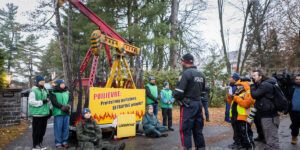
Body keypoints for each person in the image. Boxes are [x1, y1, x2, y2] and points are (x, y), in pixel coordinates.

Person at [174, 53, 206, 149]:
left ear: (185, 62)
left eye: (181, 61)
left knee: (185, 131)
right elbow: (204, 92)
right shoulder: (201, 74)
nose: (180, 62)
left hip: (188, 106)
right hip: (198, 104)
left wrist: (176, 96)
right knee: (198, 131)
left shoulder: (186, 73)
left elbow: (178, 92)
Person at [251, 69, 280, 150]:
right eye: (252, 76)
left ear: (260, 76)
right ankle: (269, 146)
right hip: (267, 114)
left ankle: (273, 147)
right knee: (268, 133)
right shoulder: (263, 84)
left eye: (254, 76)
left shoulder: (265, 85)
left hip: (270, 115)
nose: (252, 78)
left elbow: (255, 94)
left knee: (272, 134)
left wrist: (252, 85)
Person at [227, 79, 255, 149]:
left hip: (244, 116)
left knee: (245, 133)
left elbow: (246, 104)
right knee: (238, 132)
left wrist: (235, 98)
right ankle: (239, 144)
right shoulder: (237, 94)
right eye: (237, 86)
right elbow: (231, 103)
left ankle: (250, 146)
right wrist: (229, 97)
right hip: (236, 116)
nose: (237, 87)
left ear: (244, 85)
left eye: (239, 86)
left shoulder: (249, 93)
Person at [28, 75, 50, 150]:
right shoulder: (33, 90)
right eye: (41, 81)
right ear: (37, 82)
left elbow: (47, 101)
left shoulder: (45, 90)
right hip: (37, 114)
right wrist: (42, 102)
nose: (43, 82)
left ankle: (40, 144)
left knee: (42, 131)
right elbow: (31, 102)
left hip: (44, 114)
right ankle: (35, 145)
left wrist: (49, 110)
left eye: (43, 81)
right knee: (36, 131)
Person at [49, 79, 71, 148]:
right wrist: (61, 107)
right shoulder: (53, 92)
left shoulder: (67, 92)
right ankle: (58, 143)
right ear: (58, 84)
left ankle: (65, 141)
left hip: (66, 112)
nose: (63, 85)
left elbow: (70, 100)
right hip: (58, 112)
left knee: (66, 128)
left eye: (64, 84)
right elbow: (54, 102)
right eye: (61, 84)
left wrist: (68, 106)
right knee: (58, 128)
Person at [290, 74, 300, 145]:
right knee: (295, 125)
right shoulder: (292, 87)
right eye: (297, 79)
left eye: (299, 79)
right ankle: (294, 137)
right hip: (294, 111)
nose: (298, 81)